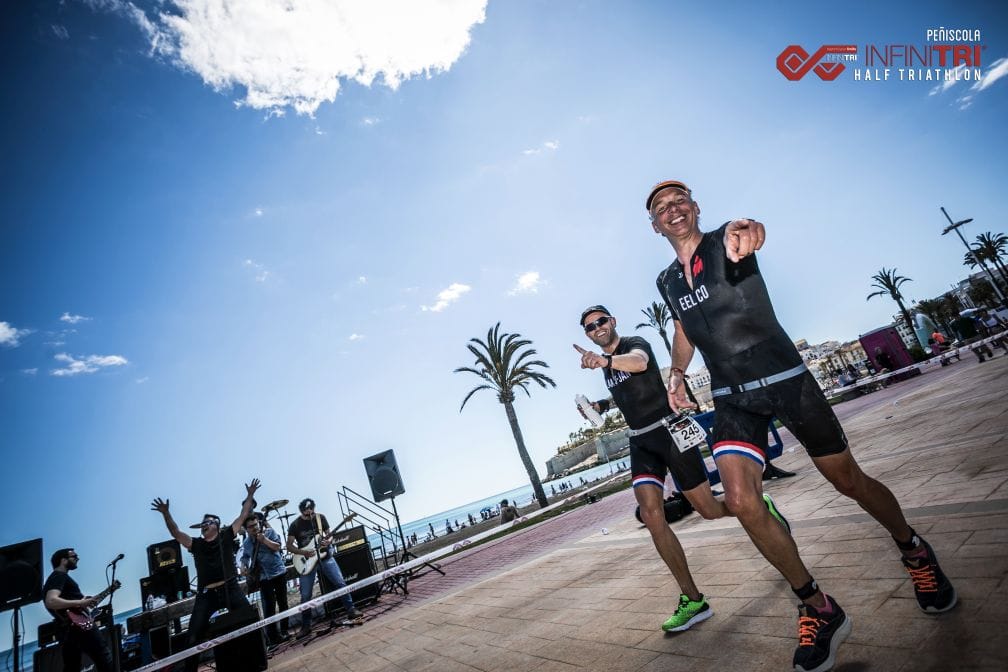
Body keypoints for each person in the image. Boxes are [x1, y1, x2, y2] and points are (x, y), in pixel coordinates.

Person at [647, 179, 956, 671]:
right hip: (731, 396)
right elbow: (683, 327)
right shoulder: (666, 281)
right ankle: (818, 607)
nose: (673, 209)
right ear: (655, 225)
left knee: (847, 480)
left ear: (695, 206)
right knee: (742, 501)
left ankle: (914, 550)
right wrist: (677, 373)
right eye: (662, 207)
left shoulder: (725, 238)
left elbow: (748, 230)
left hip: (786, 380)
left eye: (679, 200)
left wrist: (750, 230)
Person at [574, 305, 790, 633]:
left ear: (613, 322)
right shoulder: (609, 365)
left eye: (601, 321)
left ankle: (760, 506)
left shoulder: (635, 344)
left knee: (709, 510)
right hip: (641, 441)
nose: (597, 328)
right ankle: (693, 600)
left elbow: (640, 364)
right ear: (588, 334)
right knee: (651, 516)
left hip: (670, 432)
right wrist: (601, 405)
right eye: (590, 327)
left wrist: (604, 361)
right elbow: (631, 391)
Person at [151, 478, 260, 672]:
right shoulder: (196, 544)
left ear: (216, 525)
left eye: (206, 523)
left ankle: (258, 661)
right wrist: (166, 513)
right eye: (202, 524)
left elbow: (243, 514)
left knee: (250, 619)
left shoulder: (227, 535)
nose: (203, 526)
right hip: (207, 595)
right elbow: (176, 533)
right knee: (193, 636)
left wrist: (250, 494)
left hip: (230, 588)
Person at [286, 498, 362, 637]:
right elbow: (289, 546)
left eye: (311, 512)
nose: (309, 516)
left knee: (340, 582)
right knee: (305, 595)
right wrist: (303, 552)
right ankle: (306, 625)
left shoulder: (321, 518)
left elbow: (329, 535)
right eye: (306, 514)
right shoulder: (295, 524)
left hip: (325, 557)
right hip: (307, 561)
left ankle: (351, 610)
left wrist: (328, 541)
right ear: (301, 512)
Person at [42, 548, 115, 672]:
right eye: (74, 556)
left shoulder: (55, 578)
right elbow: (51, 601)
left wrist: (85, 602)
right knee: (103, 657)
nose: (78, 558)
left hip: (68, 628)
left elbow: (69, 606)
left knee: (72, 666)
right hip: (80, 627)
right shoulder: (59, 576)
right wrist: (81, 602)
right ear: (63, 560)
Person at [241, 513, 290, 648]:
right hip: (263, 577)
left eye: (256, 524)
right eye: (251, 527)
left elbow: (278, 547)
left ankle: (285, 631)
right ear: (246, 529)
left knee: (283, 603)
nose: (255, 528)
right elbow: (245, 556)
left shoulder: (269, 532)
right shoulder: (247, 543)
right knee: (269, 607)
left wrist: (264, 540)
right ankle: (274, 637)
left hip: (278, 572)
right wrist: (243, 565)